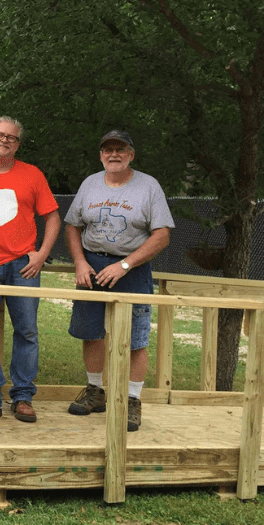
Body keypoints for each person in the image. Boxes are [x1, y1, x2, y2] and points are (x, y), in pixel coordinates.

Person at [65, 130, 174, 432]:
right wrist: (79, 262)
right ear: (101, 155)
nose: (113, 154)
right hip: (92, 265)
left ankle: (132, 400)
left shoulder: (148, 186)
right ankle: (95, 392)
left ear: (131, 155)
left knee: (136, 338)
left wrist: (124, 264)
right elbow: (72, 226)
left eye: (120, 149)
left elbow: (162, 234)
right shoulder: (90, 184)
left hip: (132, 267)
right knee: (91, 331)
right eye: (107, 150)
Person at [0, 116, 60, 424]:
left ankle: (23, 396)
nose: (4, 140)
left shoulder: (31, 175)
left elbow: (53, 218)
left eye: (11, 137)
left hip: (23, 267)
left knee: (27, 330)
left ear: (18, 144)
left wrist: (42, 254)